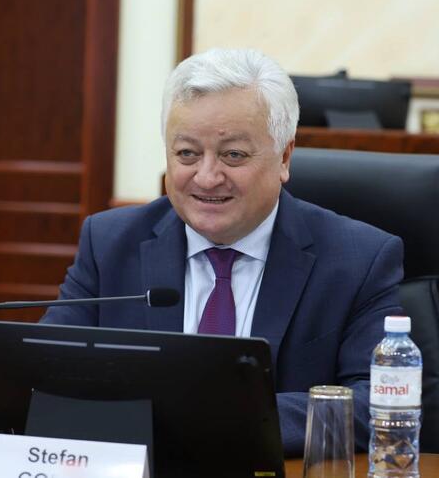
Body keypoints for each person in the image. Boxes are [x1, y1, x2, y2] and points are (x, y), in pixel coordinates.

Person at [40, 47, 404, 456]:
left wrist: (216, 417)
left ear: (284, 157)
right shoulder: (109, 243)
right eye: (187, 154)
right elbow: (47, 374)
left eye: (233, 155)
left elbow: (379, 403)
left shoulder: (359, 259)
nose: (207, 177)